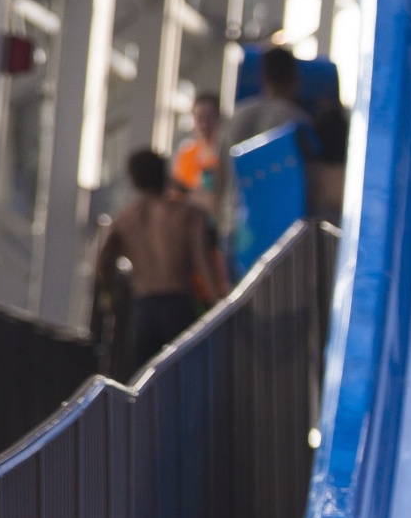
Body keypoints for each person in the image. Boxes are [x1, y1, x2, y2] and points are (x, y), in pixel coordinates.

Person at [92, 149, 227, 362]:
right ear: (165, 175)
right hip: (179, 304)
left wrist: (109, 295)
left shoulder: (124, 220)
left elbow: (103, 259)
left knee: (146, 380)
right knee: (185, 375)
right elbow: (202, 261)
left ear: (134, 181)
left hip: (144, 309)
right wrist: (218, 304)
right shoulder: (188, 215)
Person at [218, 46, 311, 249]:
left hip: (235, 225)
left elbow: (221, 175)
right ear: (295, 77)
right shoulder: (295, 119)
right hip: (278, 229)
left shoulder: (236, 117)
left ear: (263, 77)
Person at [171, 91, 224, 221]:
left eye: (209, 118)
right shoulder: (186, 155)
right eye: (199, 118)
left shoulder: (227, 154)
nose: (204, 124)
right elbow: (177, 194)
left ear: (219, 118)